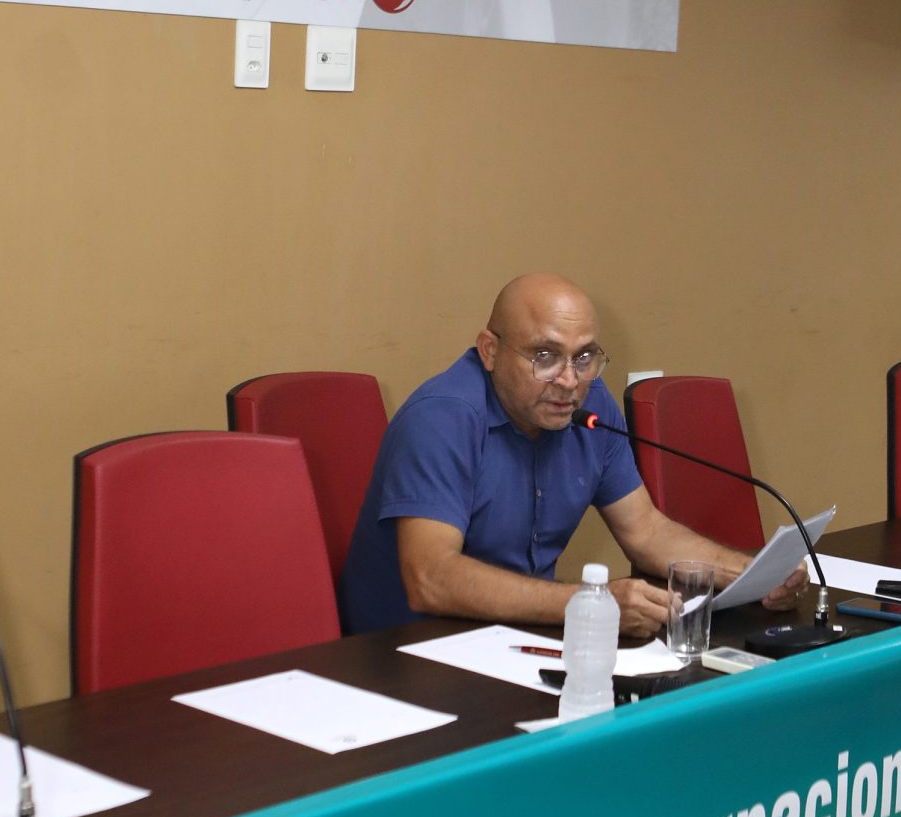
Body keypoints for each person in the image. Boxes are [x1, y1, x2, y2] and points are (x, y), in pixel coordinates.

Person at [342, 274, 805, 639]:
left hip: (516, 639)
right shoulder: (442, 418)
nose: (569, 380)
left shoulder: (590, 405)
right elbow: (432, 579)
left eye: (584, 358)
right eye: (545, 356)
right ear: (490, 350)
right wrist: (590, 604)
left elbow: (645, 530)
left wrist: (752, 574)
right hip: (405, 658)